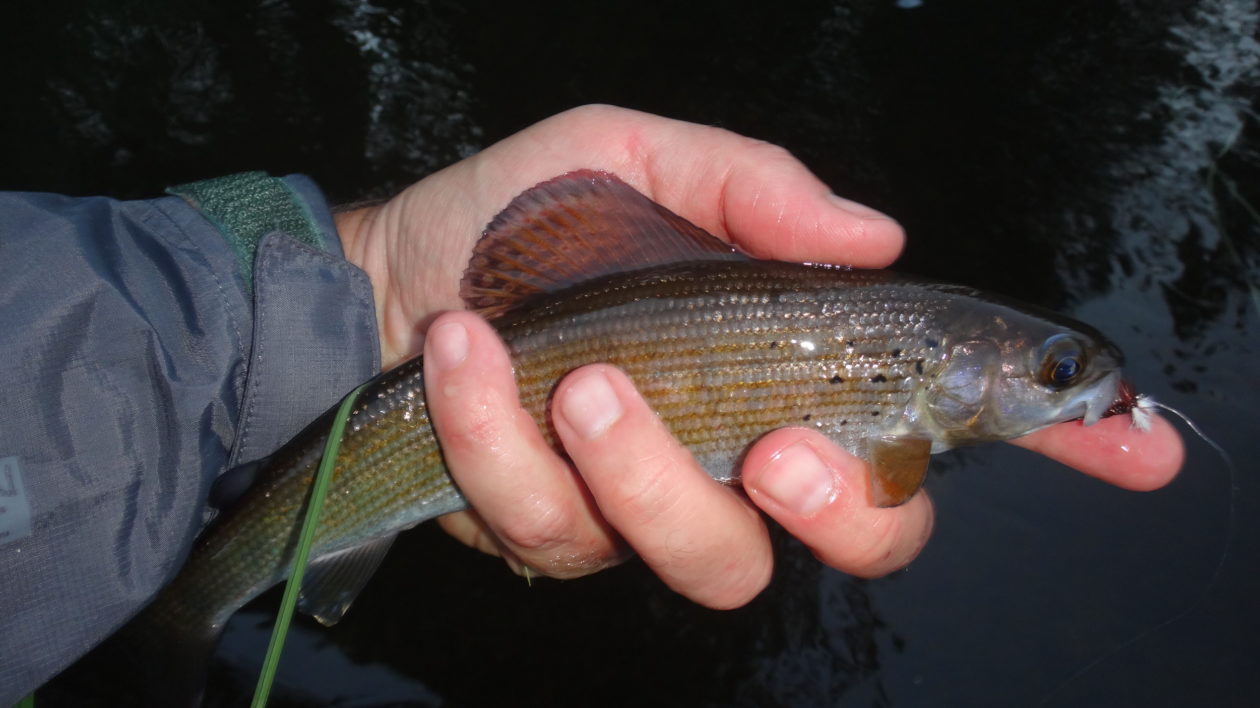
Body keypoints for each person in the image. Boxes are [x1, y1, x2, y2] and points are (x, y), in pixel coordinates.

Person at [0, 105, 1183, 702]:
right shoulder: (904, 429)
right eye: (1057, 374)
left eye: (1061, 374)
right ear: (951, 365)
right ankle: (181, 624)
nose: (1071, 390)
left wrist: (362, 279)